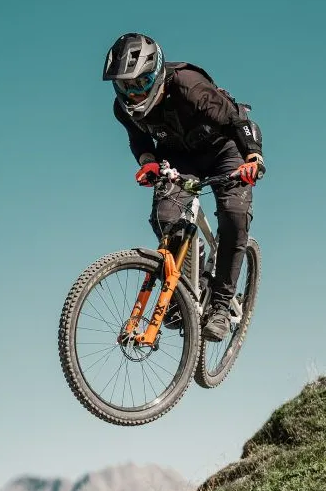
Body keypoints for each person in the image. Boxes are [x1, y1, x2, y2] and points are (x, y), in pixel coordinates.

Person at [103, 32, 264, 341]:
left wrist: (253, 157)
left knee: (233, 214)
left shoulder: (191, 87)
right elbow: (138, 140)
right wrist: (148, 161)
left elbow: (239, 122)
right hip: (179, 156)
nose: (133, 93)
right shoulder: (122, 108)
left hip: (225, 151)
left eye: (139, 84)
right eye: (125, 86)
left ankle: (220, 306)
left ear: (157, 72)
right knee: (166, 218)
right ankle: (189, 291)